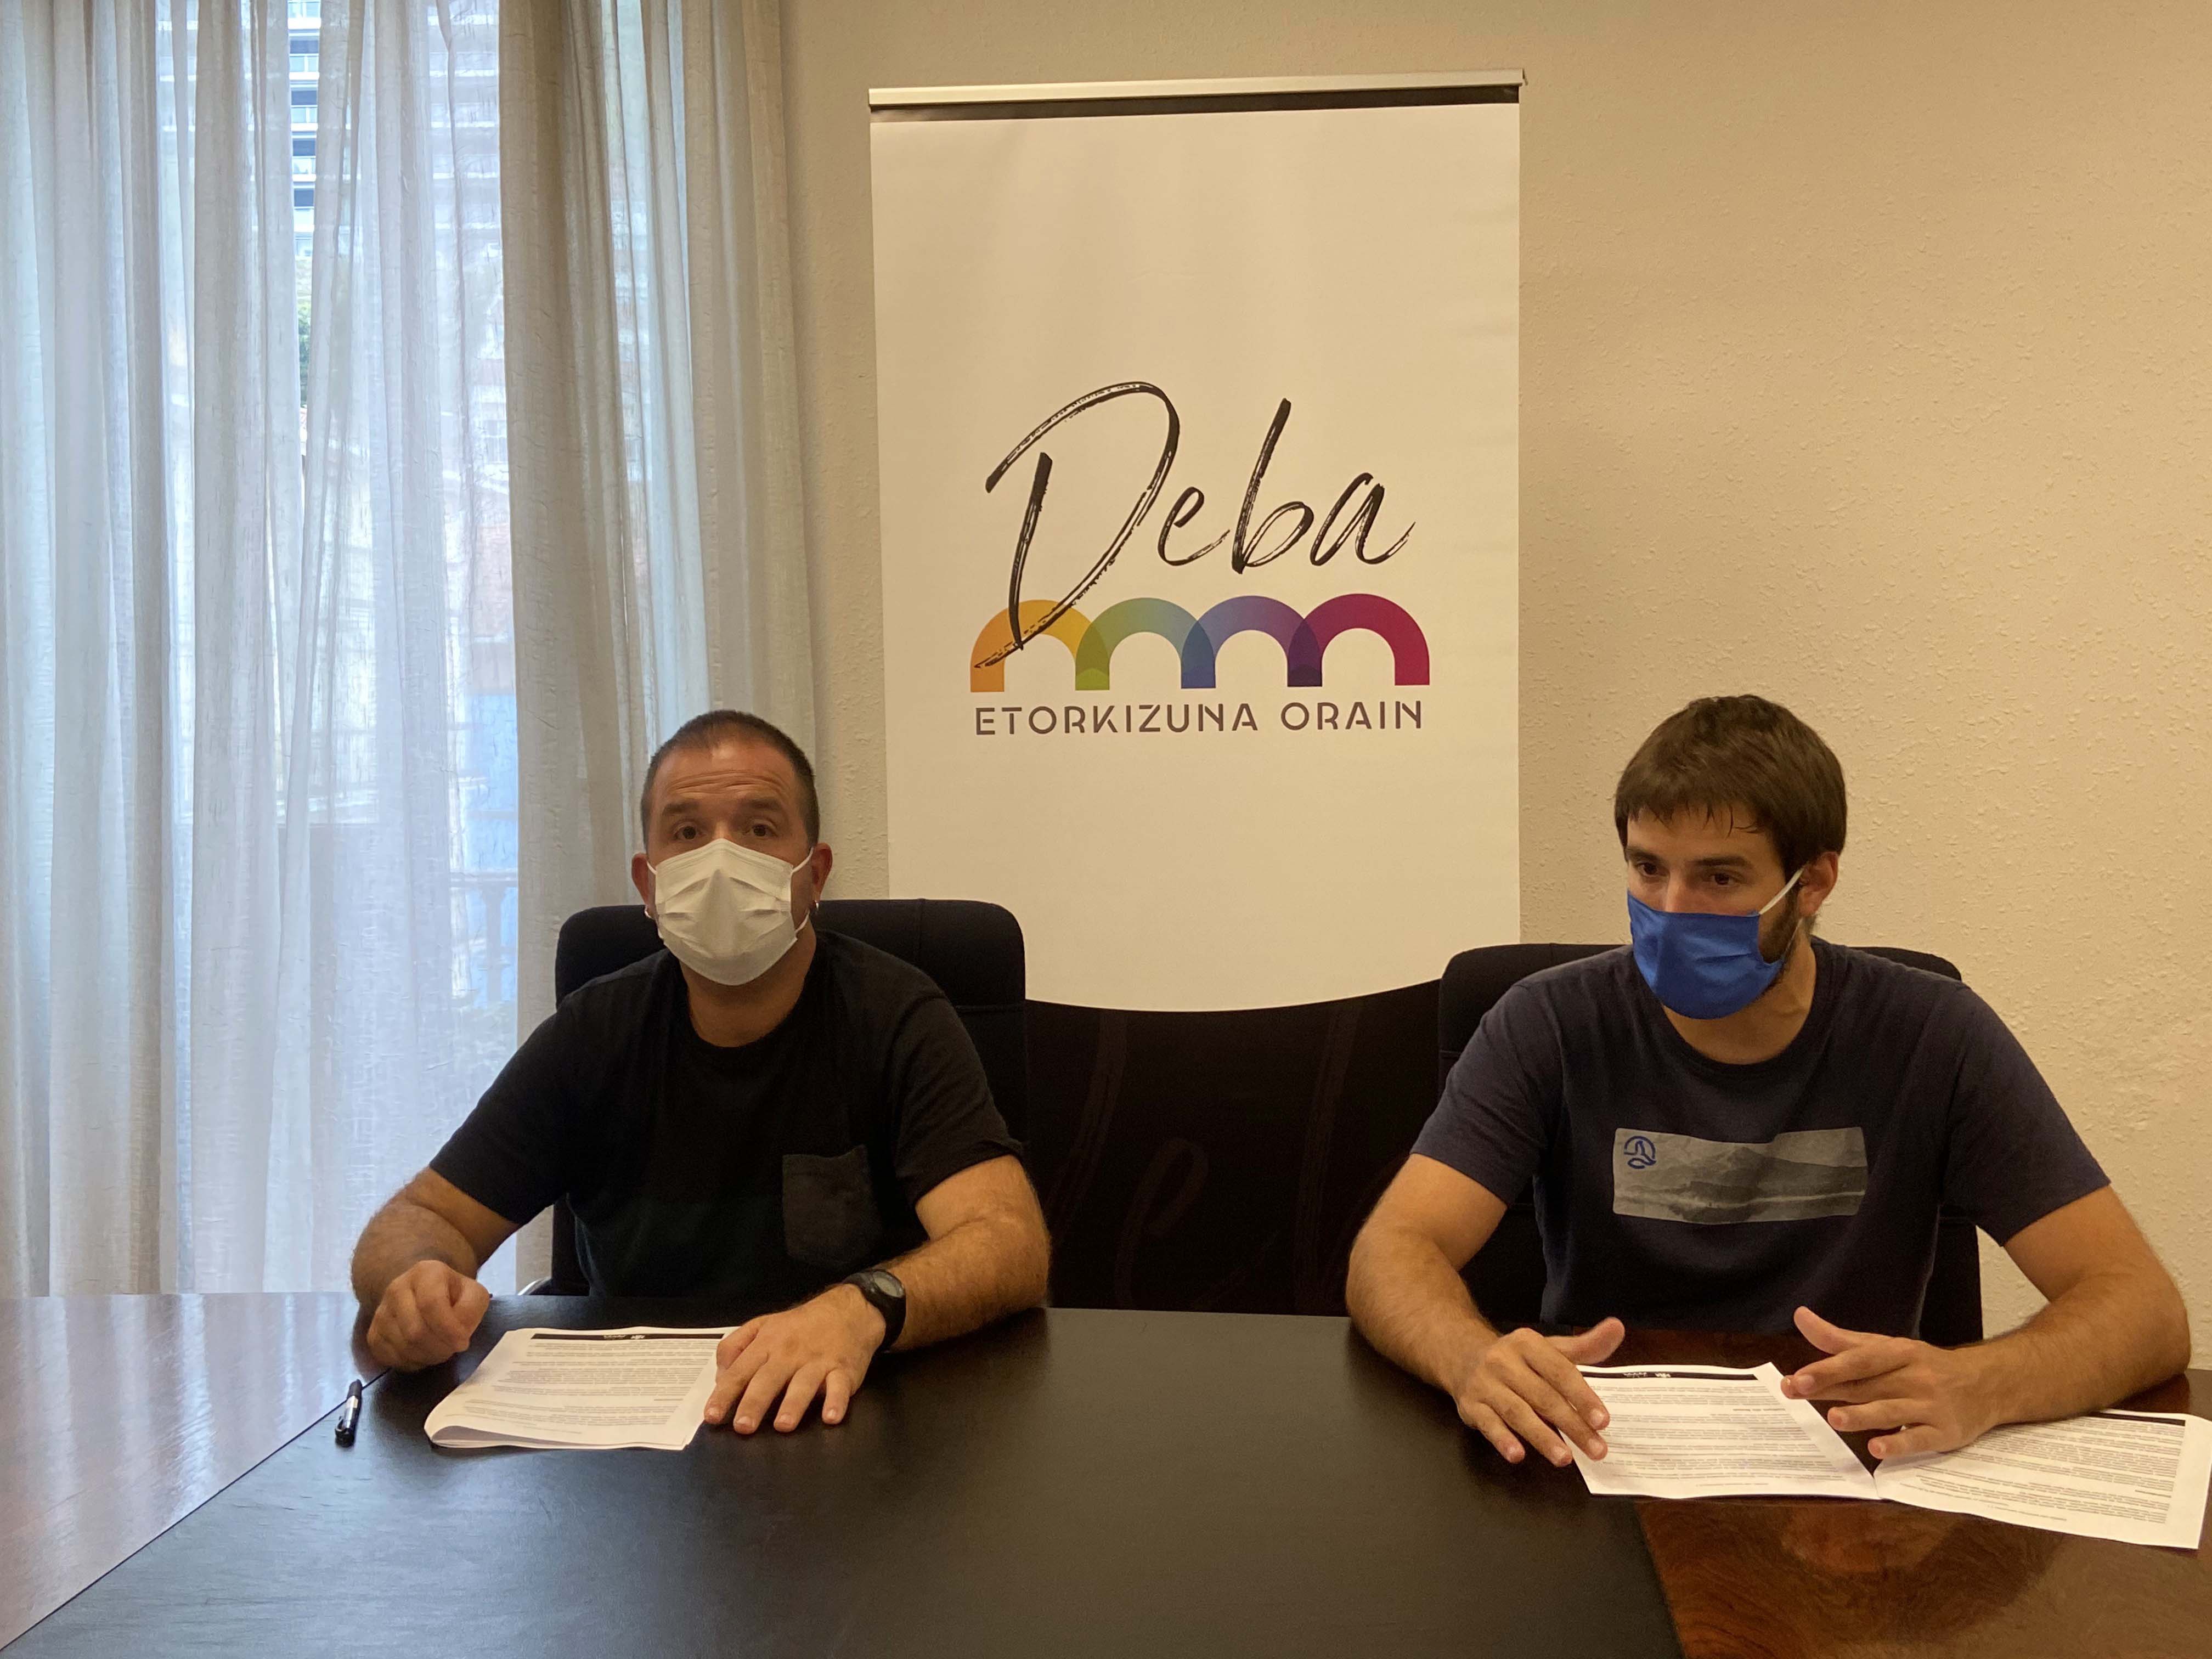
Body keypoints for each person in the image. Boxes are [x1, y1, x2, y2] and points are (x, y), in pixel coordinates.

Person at [1347, 695, 2188, 1470]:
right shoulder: (1550, 1022)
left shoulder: (1934, 1034)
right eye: (1648, 869)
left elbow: (2143, 1310)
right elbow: (1393, 1252)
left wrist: (1982, 1383)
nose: (1672, 908)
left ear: (1812, 883)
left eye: (1718, 879)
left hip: (1852, 1456)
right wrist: (1473, 1358)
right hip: (1602, 1451)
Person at [351, 710, 1051, 1436]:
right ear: (648, 884)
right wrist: (414, 1283)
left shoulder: (896, 1016)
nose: (721, 860)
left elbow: (1008, 1240)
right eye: (686, 833)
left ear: (813, 876)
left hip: (853, 1422)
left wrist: (862, 1306)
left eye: (759, 829)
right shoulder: (592, 1034)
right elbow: (420, 1219)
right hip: (627, 1437)